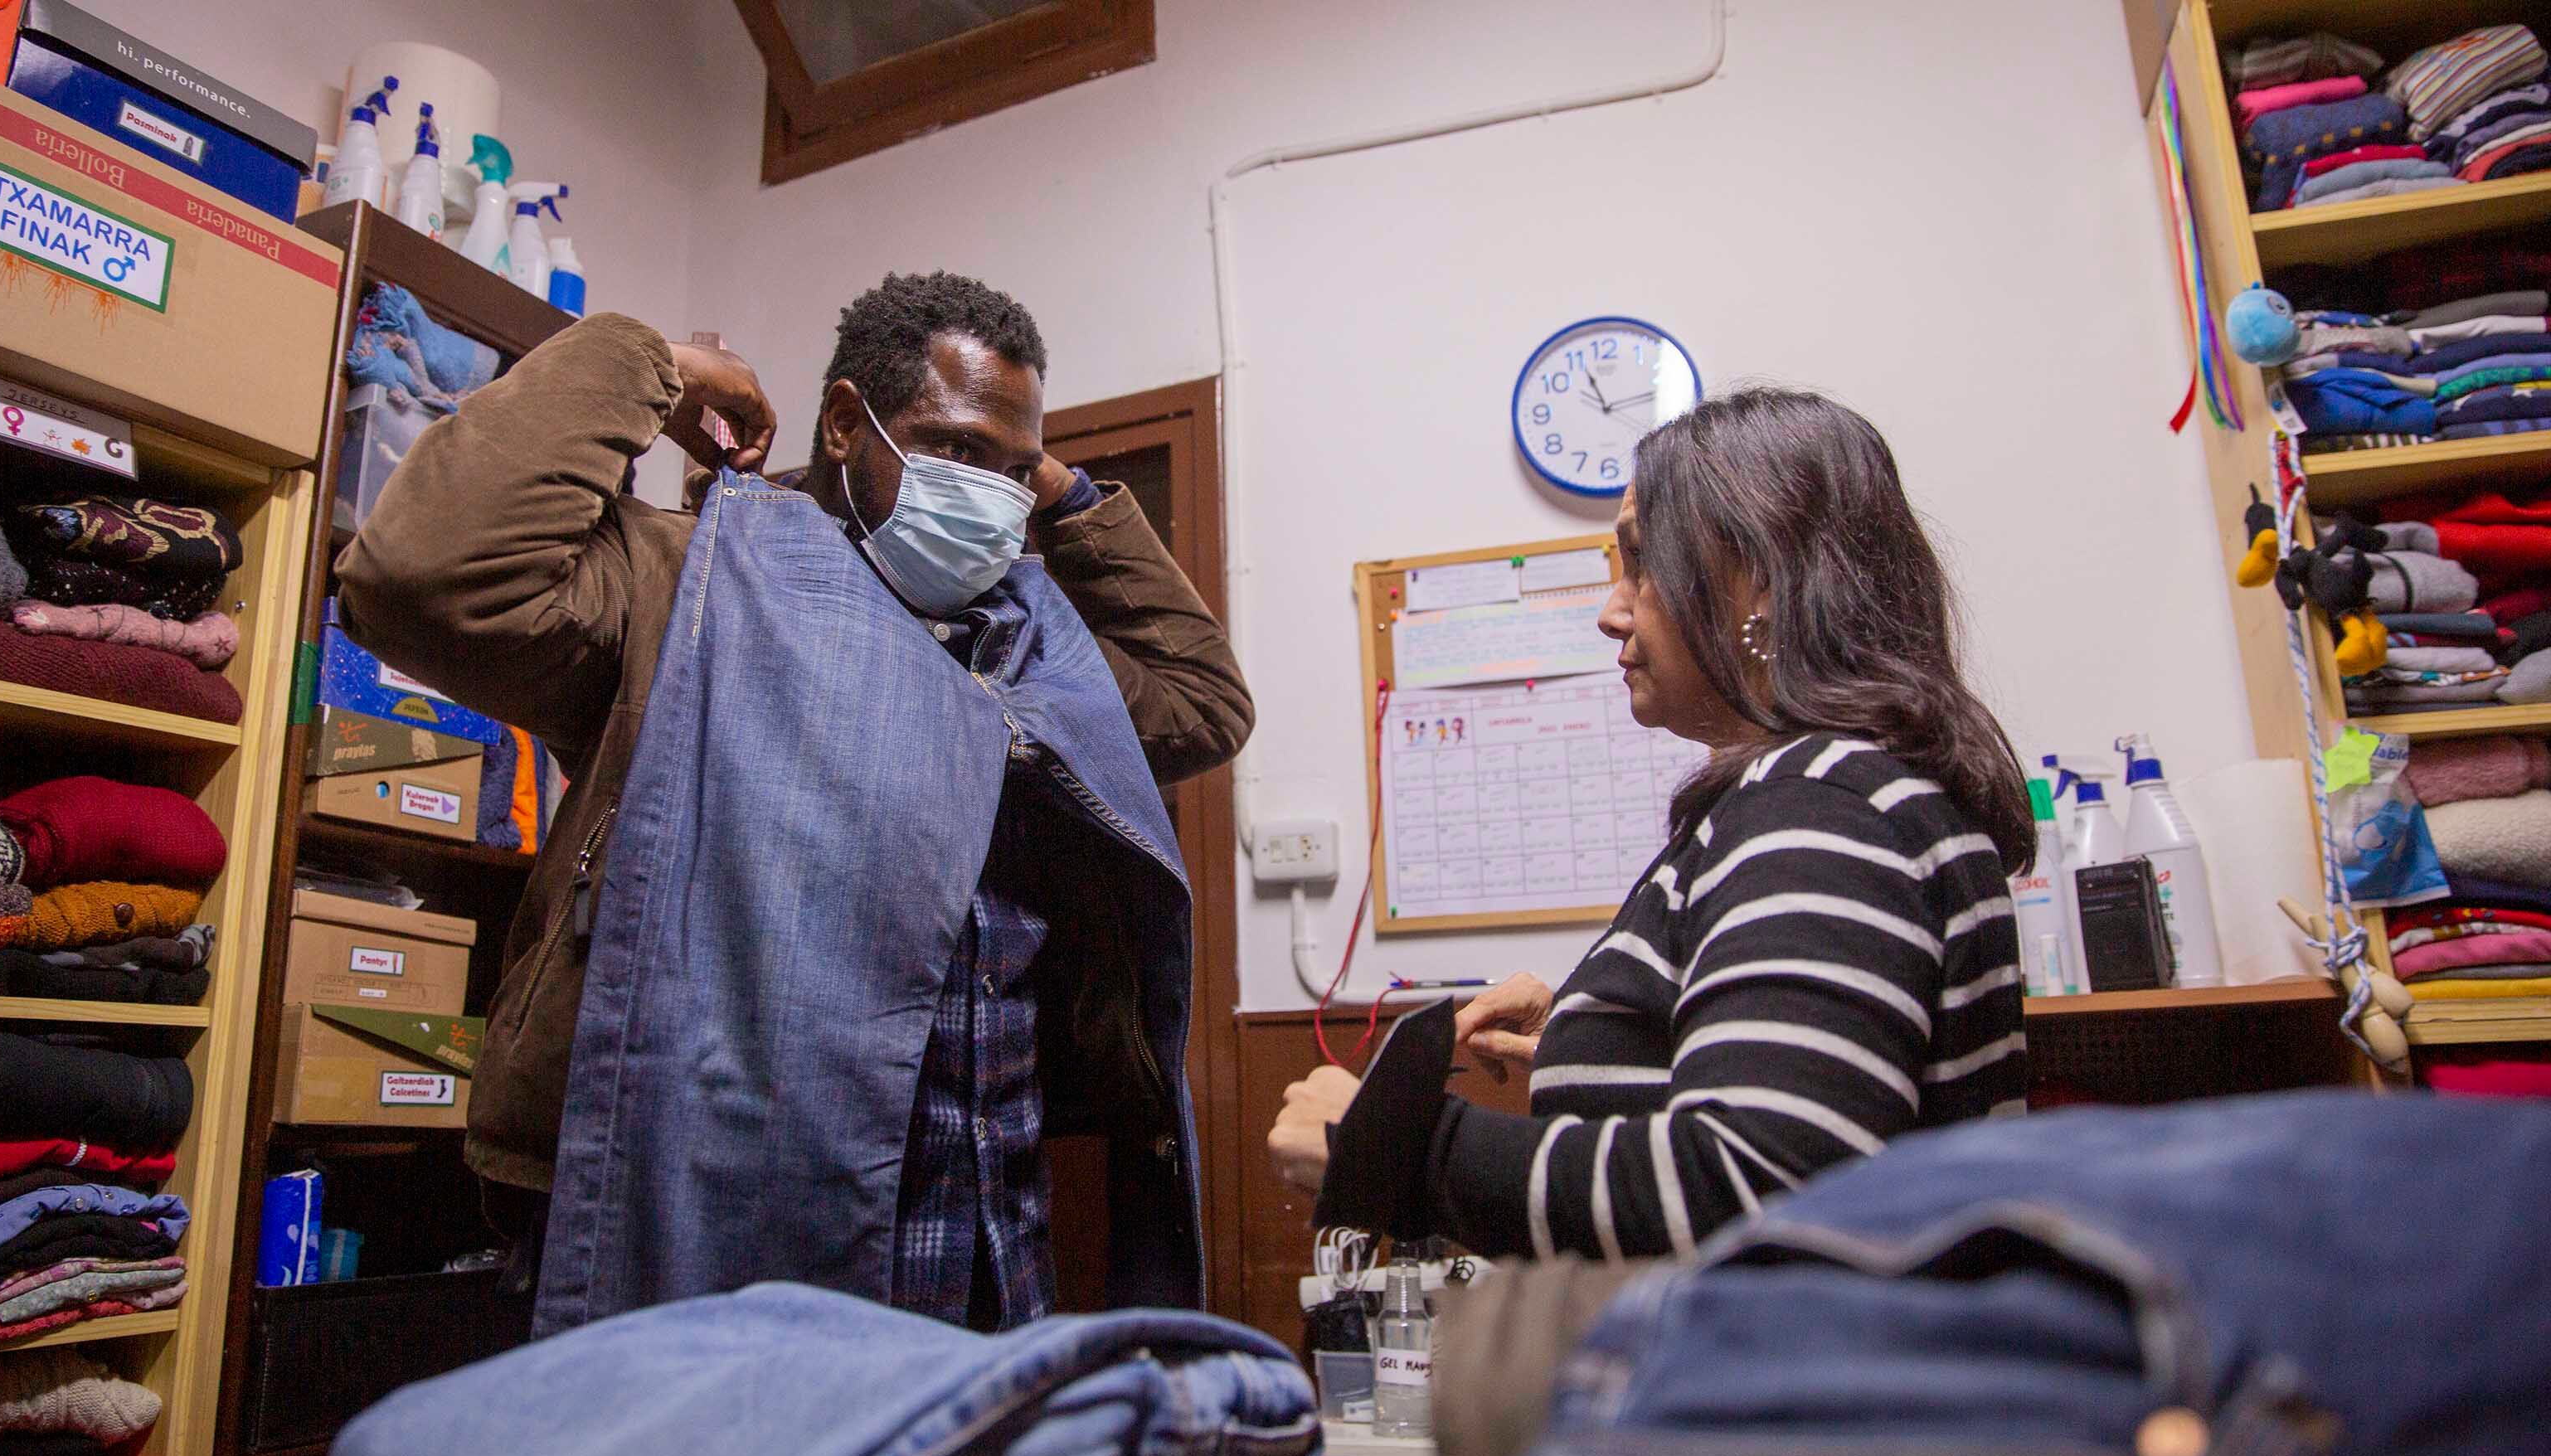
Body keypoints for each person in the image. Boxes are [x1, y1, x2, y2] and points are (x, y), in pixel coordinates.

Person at [335, 272, 1250, 1332]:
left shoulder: (1028, 647)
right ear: (847, 424)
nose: (988, 491)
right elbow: (420, 579)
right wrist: (649, 365)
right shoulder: (694, 575)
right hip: (695, 1209)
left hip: (982, 1222)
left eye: (1011, 469)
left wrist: (1065, 494)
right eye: (952, 449)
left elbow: (1200, 703)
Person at [1268, 388, 2033, 1261]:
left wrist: (1390, 1143)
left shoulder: (1819, 801)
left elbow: (1756, 1181)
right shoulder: (1862, 789)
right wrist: (1615, 1032)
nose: (1611, 610)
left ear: (1763, 583)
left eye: (1641, 564)